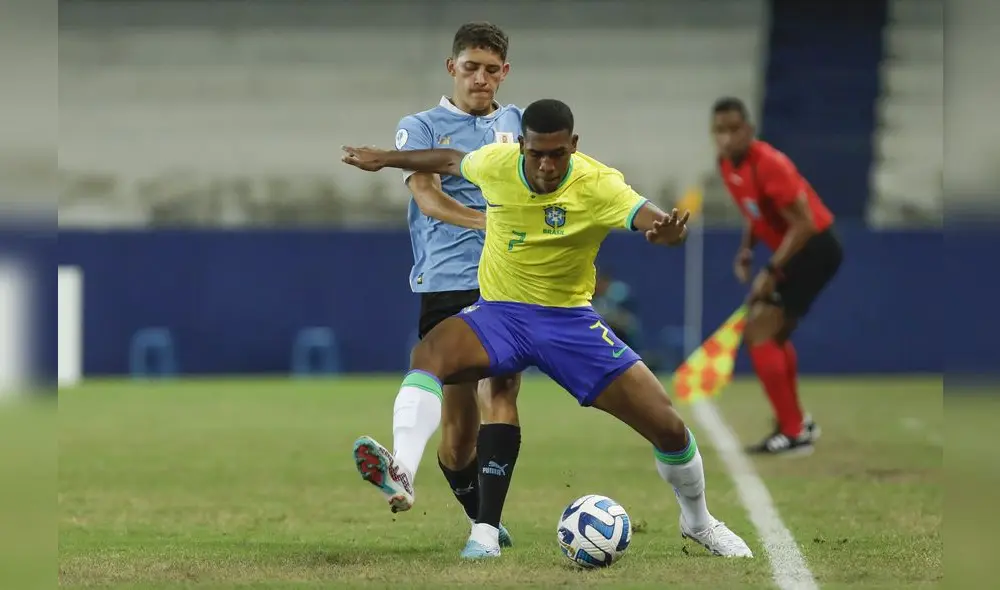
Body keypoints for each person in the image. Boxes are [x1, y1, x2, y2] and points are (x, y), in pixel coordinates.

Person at [342, 98, 753, 560]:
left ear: (573, 145)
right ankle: (404, 470)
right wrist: (387, 158)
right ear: (521, 145)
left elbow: (647, 215)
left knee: (669, 428)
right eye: (536, 153)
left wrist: (667, 230)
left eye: (557, 154)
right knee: (428, 355)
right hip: (501, 315)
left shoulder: (597, 183)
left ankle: (699, 522)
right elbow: (450, 159)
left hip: (569, 322)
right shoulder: (497, 163)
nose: (546, 165)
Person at [350, 22, 520, 548]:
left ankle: (484, 529)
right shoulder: (420, 127)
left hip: (506, 280)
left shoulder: (517, 122)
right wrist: (488, 222)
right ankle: (469, 511)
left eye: (490, 70)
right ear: (452, 68)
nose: (480, 79)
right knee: (458, 439)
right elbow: (428, 198)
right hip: (448, 279)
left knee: (502, 391)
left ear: (504, 72)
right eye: (470, 68)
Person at [711, 96, 843, 456]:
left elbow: (805, 224)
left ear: (749, 130)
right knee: (773, 333)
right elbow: (753, 212)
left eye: (733, 129)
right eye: (719, 130)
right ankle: (797, 423)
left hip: (815, 248)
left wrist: (770, 271)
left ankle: (793, 431)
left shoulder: (770, 164)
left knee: (760, 331)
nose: (726, 137)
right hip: (796, 251)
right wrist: (747, 250)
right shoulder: (727, 165)